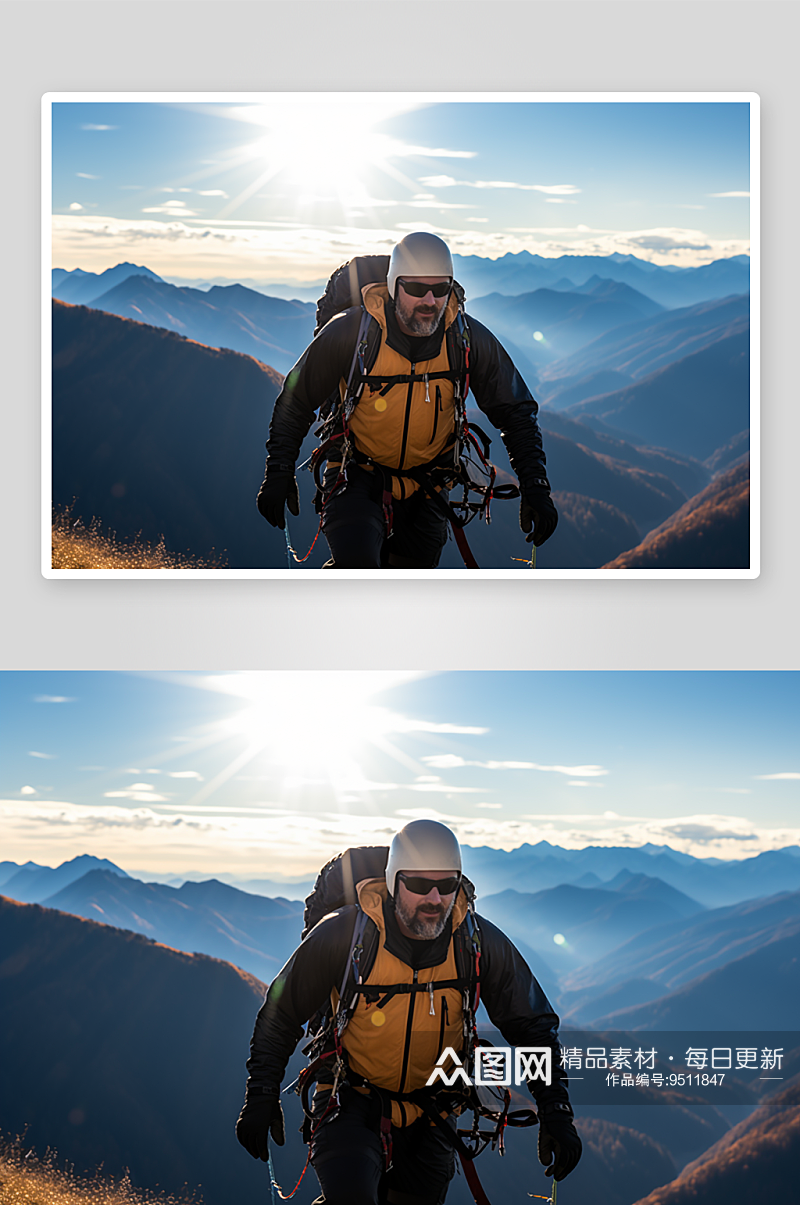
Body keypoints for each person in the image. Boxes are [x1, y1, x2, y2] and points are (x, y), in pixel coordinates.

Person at [235, 819, 581, 1205]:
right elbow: (281, 1014)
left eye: (447, 885)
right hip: (349, 1099)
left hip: (433, 1109)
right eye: (418, 885)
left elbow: (532, 1026)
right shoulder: (345, 936)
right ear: (393, 881)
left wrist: (555, 1109)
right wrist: (262, 1093)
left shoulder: (477, 944)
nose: (434, 898)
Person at [256, 232, 558, 568]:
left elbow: (515, 410)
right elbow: (296, 400)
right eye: (416, 289)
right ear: (393, 285)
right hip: (355, 474)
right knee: (357, 572)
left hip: (429, 484)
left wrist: (535, 485)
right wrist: (279, 470)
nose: (429, 300)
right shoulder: (352, 333)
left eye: (440, 289)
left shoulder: (466, 340)